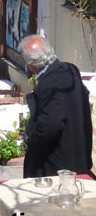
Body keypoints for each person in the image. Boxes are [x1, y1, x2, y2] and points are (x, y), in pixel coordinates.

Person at [19, 33, 93, 178]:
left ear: (31, 65)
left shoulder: (49, 84)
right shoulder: (70, 69)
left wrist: (32, 143)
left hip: (57, 166)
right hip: (78, 154)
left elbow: (49, 126)